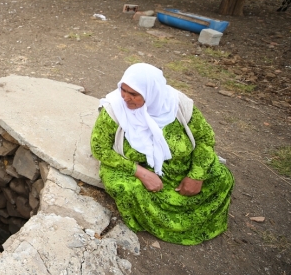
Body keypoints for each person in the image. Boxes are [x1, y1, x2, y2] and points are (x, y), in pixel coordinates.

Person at [90, 63, 234, 245]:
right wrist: (141, 173)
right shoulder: (115, 109)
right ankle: (158, 224)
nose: (126, 97)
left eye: (134, 94)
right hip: (137, 168)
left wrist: (196, 176)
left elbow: (205, 138)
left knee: (222, 179)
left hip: (180, 167)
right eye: (123, 90)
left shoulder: (177, 104)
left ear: (152, 93)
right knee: (126, 189)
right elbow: (100, 148)